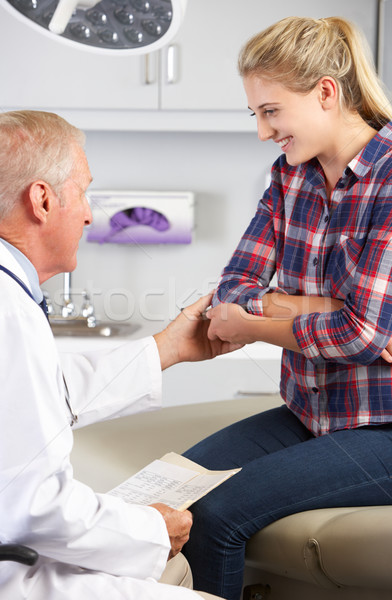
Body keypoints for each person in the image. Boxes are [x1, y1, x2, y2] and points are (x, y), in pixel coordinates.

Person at [182, 15, 392, 600]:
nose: (261, 131)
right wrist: (306, 306)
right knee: (173, 488)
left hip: (386, 429)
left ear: (326, 92)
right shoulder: (288, 177)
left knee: (216, 516)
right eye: (255, 114)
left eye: (270, 111)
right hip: (311, 414)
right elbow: (235, 285)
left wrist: (256, 322)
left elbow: (360, 334)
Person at [0, 110, 238, 600]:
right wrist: (150, 529)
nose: (87, 213)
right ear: (42, 200)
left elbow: (38, 398)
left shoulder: (7, 297)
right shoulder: (5, 310)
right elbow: (32, 508)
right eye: (83, 192)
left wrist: (168, 348)